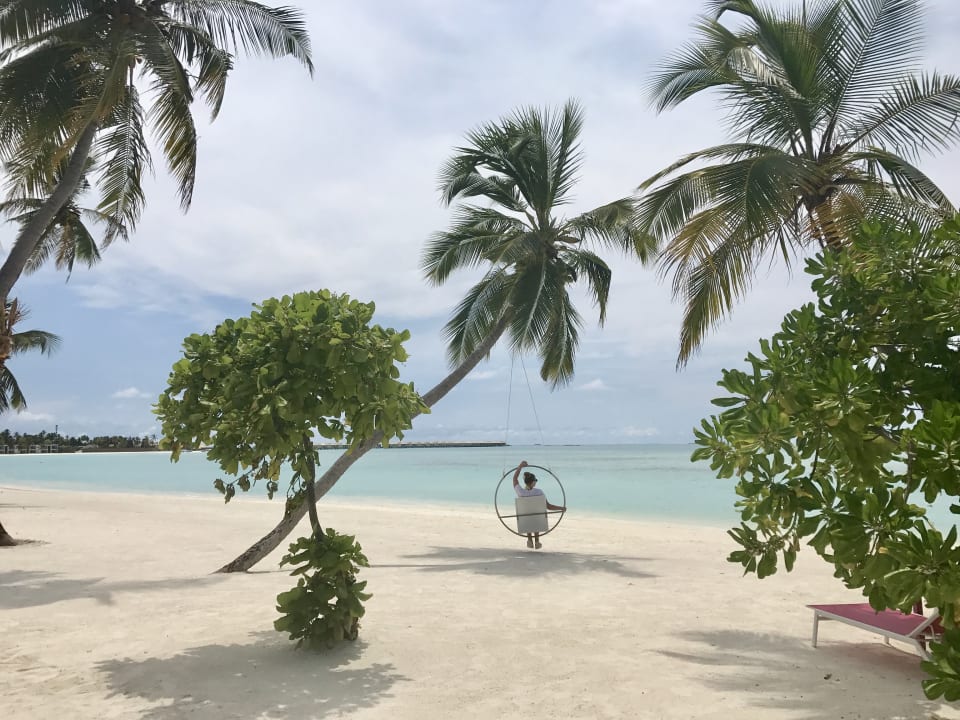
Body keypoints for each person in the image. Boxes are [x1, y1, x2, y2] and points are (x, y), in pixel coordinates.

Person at [512, 460, 565, 549]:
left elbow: (514, 479)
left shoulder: (520, 492)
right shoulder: (539, 492)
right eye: (535, 480)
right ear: (533, 482)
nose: (536, 482)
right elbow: (548, 506)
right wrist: (561, 508)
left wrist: (520, 466)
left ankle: (529, 539)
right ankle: (536, 541)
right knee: (536, 514)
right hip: (537, 519)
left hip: (525, 520)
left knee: (527, 514)